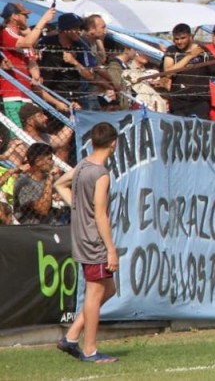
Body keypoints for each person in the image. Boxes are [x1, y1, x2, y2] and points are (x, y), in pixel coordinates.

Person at [54, 121, 119, 363]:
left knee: (108, 289)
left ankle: (71, 336)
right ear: (113, 143)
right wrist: (111, 250)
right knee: (94, 294)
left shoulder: (82, 166)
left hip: (81, 237)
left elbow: (59, 184)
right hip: (94, 241)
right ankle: (90, 350)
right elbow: (100, 214)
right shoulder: (100, 174)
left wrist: (77, 205)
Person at [162, 23, 215, 120]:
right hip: (178, 101)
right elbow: (168, 73)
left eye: (183, 38)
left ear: (190, 37)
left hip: (199, 102)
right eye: (176, 39)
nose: (179, 42)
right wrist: (190, 56)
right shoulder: (171, 50)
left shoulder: (203, 51)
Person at [0, 3, 58, 123]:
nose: (27, 18)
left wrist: (36, 75)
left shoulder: (20, 36)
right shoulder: (6, 33)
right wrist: (44, 20)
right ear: (15, 16)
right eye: (24, 15)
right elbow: (28, 42)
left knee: (29, 134)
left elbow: (31, 60)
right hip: (12, 95)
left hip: (27, 94)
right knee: (17, 137)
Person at [13, 142, 62, 224]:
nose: (52, 162)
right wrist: (49, 179)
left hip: (52, 226)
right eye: (49, 159)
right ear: (38, 162)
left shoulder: (53, 177)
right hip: (30, 229)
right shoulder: (24, 183)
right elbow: (43, 209)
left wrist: (60, 196)